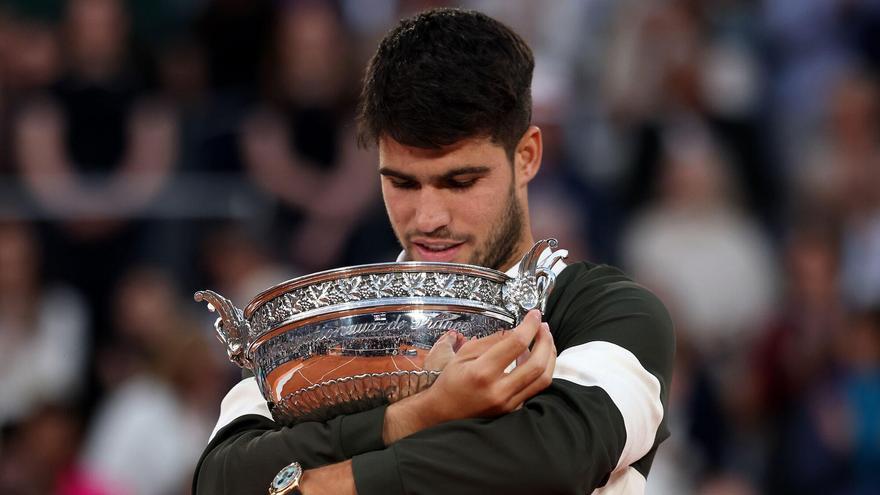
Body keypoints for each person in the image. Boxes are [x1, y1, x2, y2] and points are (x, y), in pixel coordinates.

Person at [193, 8, 674, 495]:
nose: (427, 218)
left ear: (526, 156)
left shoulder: (607, 311)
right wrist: (417, 414)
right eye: (402, 183)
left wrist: (324, 485)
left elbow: (556, 457)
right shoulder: (339, 318)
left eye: (460, 181)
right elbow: (222, 478)